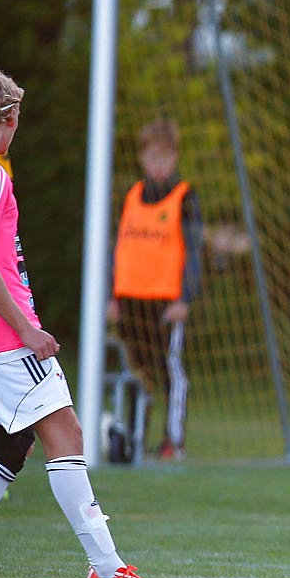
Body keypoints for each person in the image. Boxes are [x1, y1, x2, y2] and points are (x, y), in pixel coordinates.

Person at [0, 70, 165, 578]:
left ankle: (108, 569)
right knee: (65, 431)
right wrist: (27, 329)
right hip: (7, 340)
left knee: (10, 447)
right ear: (7, 119)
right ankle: (108, 569)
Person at [105, 118, 203, 461]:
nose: (158, 163)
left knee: (170, 372)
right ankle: (134, 437)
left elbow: (193, 251)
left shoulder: (184, 196)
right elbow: (115, 248)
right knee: (136, 374)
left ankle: (172, 442)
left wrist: (185, 297)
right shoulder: (130, 196)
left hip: (165, 302)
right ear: (142, 157)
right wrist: (110, 295)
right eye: (152, 156)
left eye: (165, 156)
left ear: (174, 157)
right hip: (130, 299)